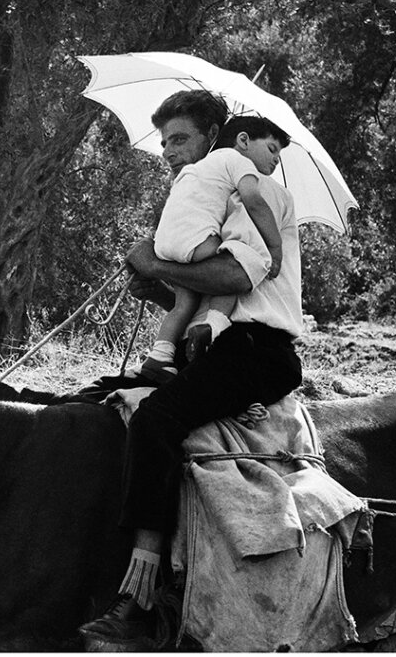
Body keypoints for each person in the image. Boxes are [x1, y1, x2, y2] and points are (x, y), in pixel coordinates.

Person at [78, 90, 305, 642]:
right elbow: (200, 301)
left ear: (215, 138)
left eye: (179, 139)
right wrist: (156, 288)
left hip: (258, 349)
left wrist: (153, 259)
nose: (169, 152)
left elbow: (236, 280)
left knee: (158, 420)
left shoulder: (261, 192)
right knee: (96, 405)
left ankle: (142, 594)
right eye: (165, 142)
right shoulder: (208, 198)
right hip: (217, 343)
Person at [139, 115, 290, 383]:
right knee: (236, 264)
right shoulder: (239, 162)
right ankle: (214, 326)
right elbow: (253, 201)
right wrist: (275, 246)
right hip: (197, 240)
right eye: (271, 149)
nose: (276, 159)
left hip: (165, 241)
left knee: (183, 304)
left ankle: (159, 356)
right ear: (242, 140)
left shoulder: (194, 170)